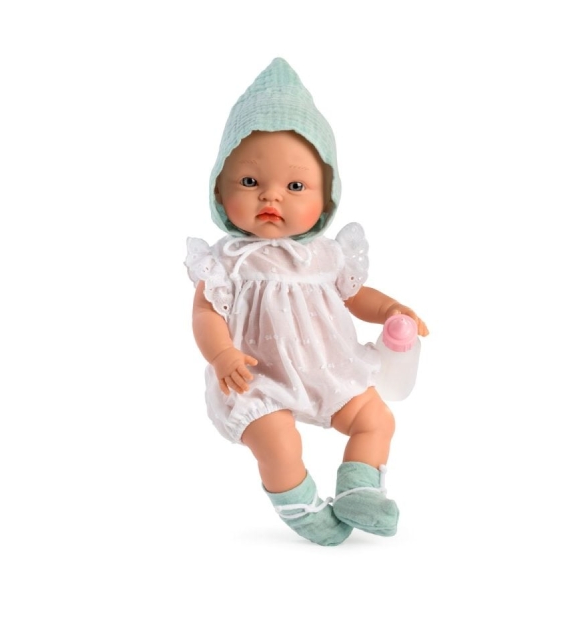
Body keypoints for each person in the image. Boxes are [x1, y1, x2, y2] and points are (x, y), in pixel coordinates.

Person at [185, 58, 428, 546]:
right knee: (277, 440)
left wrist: (388, 310)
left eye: (295, 186)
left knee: (376, 419)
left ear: (327, 198)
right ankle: (301, 507)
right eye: (249, 182)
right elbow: (206, 311)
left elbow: (355, 295)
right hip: (257, 377)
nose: (270, 197)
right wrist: (222, 353)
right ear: (219, 190)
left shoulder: (326, 254)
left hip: (328, 368)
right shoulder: (228, 260)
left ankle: (360, 489)